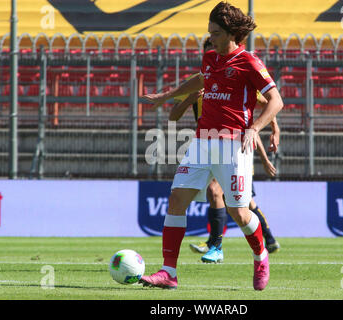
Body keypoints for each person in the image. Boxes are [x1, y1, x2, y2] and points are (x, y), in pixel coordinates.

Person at [140, 1, 284, 291]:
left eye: (216, 33)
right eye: (210, 32)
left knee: (240, 213)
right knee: (177, 199)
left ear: (231, 33)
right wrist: (167, 96)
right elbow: (201, 79)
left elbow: (276, 101)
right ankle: (169, 271)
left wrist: (255, 128)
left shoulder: (250, 62)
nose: (211, 38)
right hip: (202, 141)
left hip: (233, 145)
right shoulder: (210, 58)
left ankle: (260, 255)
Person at [169, 50, 281, 262]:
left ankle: (260, 240)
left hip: (234, 147)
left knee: (242, 205)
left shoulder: (235, 81)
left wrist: (273, 130)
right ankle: (219, 245)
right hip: (206, 145)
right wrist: (189, 99)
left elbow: (267, 103)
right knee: (220, 196)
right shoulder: (199, 83)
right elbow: (173, 116)